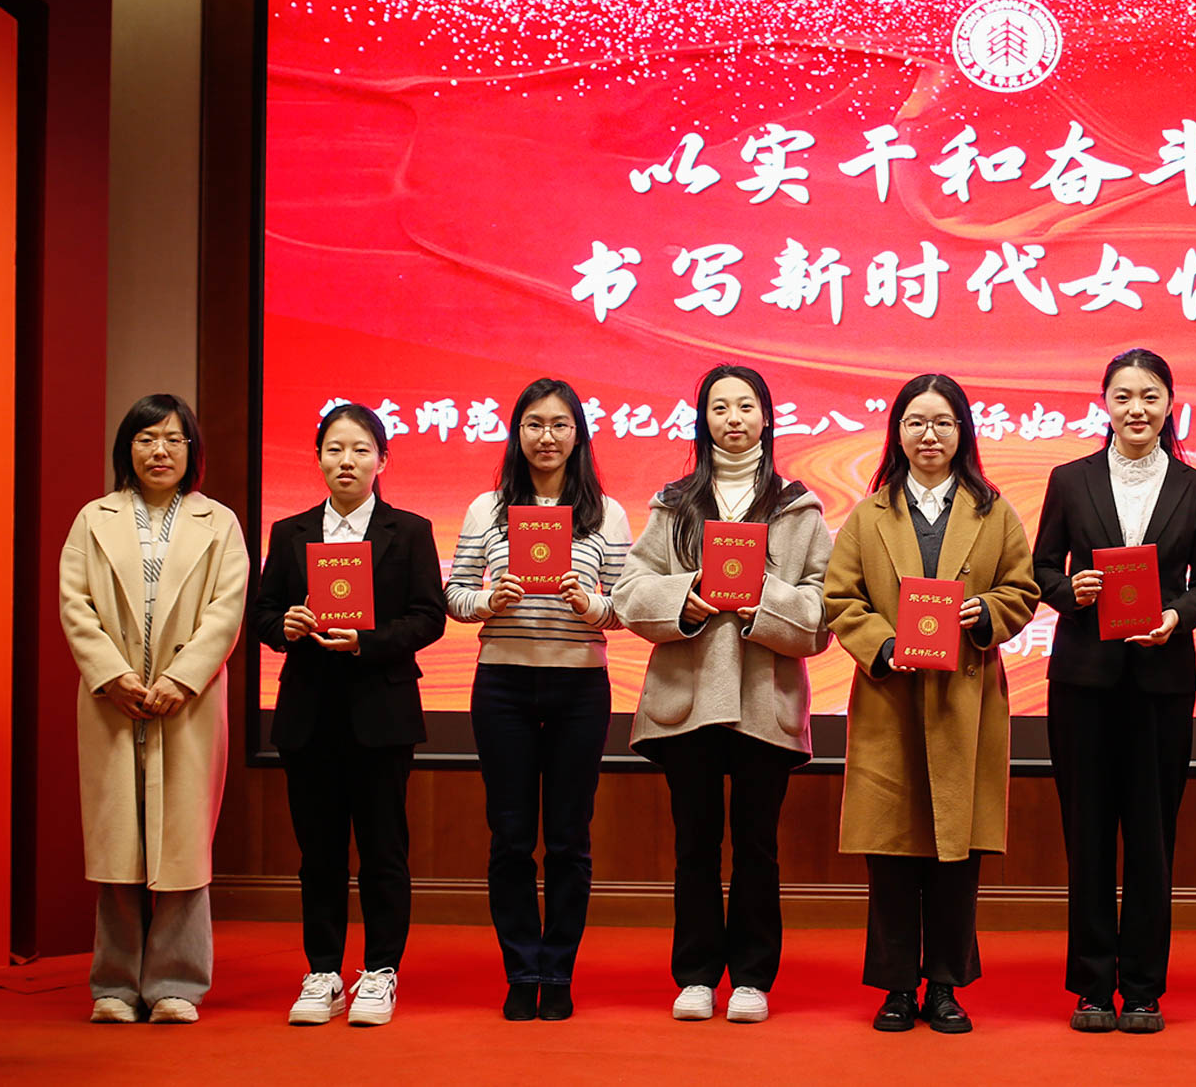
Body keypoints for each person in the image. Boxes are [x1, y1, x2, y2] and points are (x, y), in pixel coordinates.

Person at [612, 365, 833, 1024]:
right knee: (695, 845)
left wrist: (762, 599)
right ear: (703, 419)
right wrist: (686, 596)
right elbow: (629, 592)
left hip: (765, 699)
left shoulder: (798, 506)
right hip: (688, 698)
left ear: (766, 416)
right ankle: (696, 975)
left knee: (758, 845)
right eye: (719, 407)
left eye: (745, 406)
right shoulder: (674, 502)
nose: (733, 419)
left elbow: (823, 610)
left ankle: (753, 978)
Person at [824, 373, 1039, 1034]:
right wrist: (883, 645)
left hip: (963, 702)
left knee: (955, 854)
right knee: (890, 853)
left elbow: (1022, 590)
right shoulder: (869, 514)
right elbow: (840, 598)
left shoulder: (992, 511)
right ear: (897, 432)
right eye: (916, 422)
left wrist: (986, 613)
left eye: (943, 422)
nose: (929, 435)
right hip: (890, 697)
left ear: (961, 433)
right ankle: (896, 987)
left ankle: (944, 985)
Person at [1031, 348, 1196, 1033]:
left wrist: (1175, 616)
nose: (1136, 409)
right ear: (1104, 404)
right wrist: (1071, 591)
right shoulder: (1069, 479)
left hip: (1160, 683)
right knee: (1086, 837)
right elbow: (1039, 570)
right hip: (1082, 682)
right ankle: (1091, 986)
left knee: (1151, 838)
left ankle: (1142, 986)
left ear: (1169, 403)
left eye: (1149, 396)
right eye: (1122, 396)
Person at [253, 402, 447, 1026]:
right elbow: (263, 613)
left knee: (384, 851)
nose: (347, 461)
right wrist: (284, 627)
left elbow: (429, 617)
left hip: (381, 712)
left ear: (382, 460)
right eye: (335, 449)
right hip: (308, 713)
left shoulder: (409, 530)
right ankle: (324, 972)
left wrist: (367, 641)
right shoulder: (289, 532)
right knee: (319, 854)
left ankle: (381, 971)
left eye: (361, 449)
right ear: (317, 458)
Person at [445, 378, 633, 1021]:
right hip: (503, 684)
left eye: (559, 424)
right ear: (517, 432)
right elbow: (455, 593)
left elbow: (627, 607)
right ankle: (521, 970)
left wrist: (591, 604)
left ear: (578, 434)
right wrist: (488, 600)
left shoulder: (606, 513)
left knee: (569, 840)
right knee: (510, 837)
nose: (546, 436)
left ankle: (559, 972)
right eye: (533, 424)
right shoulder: (487, 509)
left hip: (580, 686)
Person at [59, 394, 249, 1024]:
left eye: (173, 439)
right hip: (112, 701)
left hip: (188, 702)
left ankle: (176, 984)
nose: (159, 451)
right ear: (128, 449)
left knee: (183, 845)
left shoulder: (219, 522)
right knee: (119, 841)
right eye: (146, 439)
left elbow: (226, 611)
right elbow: (75, 605)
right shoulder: (93, 519)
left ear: (191, 450)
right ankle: (114, 985)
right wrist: (111, 676)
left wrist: (181, 678)